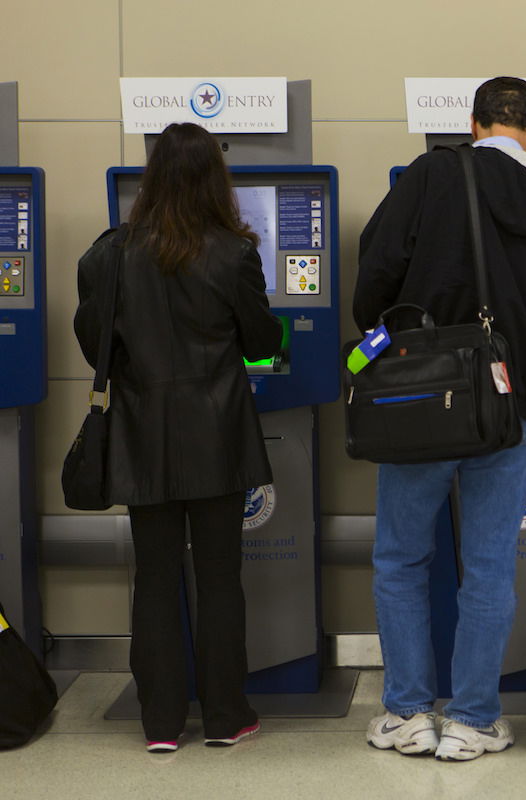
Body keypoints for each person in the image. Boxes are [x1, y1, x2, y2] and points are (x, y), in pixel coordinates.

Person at [354, 76, 526, 761]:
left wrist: (390, 344)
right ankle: (475, 720)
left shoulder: (432, 175)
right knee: (488, 569)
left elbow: (376, 274)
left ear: (474, 123)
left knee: (400, 558)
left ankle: (408, 715)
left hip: (421, 403)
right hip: (512, 406)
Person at [73, 122, 281, 753]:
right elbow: (262, 342)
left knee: (156, 578)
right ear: (214, 179)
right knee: (220, 579)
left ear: (153, 175)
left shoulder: (110, 252)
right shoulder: (235, 252)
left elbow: (93, 345)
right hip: (217, 436)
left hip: (142, 438)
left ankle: (160, 723)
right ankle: (226, 717)